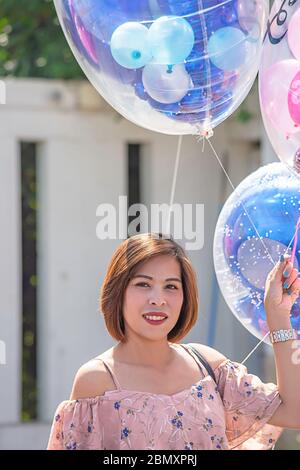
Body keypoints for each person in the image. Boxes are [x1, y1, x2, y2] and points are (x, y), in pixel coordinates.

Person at [47, 233, 300, 450]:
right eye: (143, 284)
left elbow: (294, 410)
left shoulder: (209, 367)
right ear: (118, 292)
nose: (158, 299)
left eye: (171, 286)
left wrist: (277, 316)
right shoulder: (96, 381)